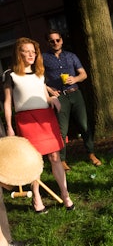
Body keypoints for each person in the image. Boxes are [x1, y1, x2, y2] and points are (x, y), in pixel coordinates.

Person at [3, 37, 74, 212]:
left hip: (46, 118)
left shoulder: (39, 74)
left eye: (34, 51)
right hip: (26, 121)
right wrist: (9, 127)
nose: (31, 54)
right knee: (34, 161)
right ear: (19, 53)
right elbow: (7, 103)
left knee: (55, 157)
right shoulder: (10, 75)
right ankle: (36, 198)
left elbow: (44, 96)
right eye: (27, 51)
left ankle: (65, 195)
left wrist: (53, 99)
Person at [42, 29, 102, 171]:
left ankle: (91, 154)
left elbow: (84, 74)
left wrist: (74, 78)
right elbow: (39, 79)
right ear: (48, 43)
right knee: (62, 130)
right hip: (59, 97)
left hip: (75, 93)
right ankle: (62, 160)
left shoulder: (71, 56)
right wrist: (50, 90)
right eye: (52, 41)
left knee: (84, 125)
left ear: (61, 40)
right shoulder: (43, 58)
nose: (55, 43)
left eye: (58, 40)